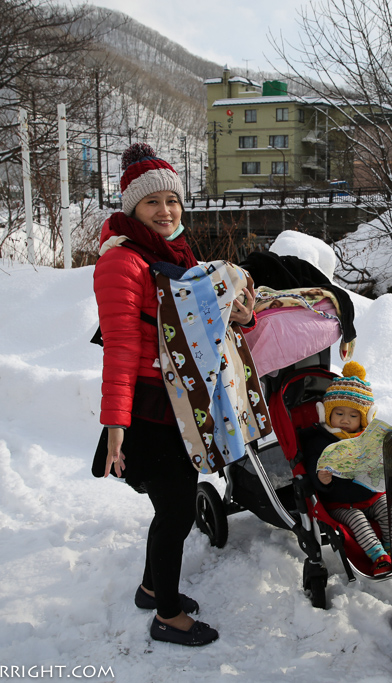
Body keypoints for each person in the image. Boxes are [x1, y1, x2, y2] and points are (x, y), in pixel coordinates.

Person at [93, 142, 254, 647]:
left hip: (177, 404)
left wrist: (239, 311)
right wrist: (115, 425)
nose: (166, 212)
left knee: (172, 508)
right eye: (152, 203)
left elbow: (198, 320)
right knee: (177, 512)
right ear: (131, 210)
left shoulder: (172, 253)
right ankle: (166, 616)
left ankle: (148, 587)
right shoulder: (123, 263)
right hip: (147, 410)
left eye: (172, 201)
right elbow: (119, 350)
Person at [298, 361, 391, 574]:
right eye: (339, 413)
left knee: (389, 509)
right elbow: (313, 466)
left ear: (365, 418)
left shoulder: (367, 438)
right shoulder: (319, 440)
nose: (345, 420)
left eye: (353, 415)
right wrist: (322, 478)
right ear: (326, 413)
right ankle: (379, 556)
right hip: (342, 503)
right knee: (358, 521)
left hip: (372, 495)